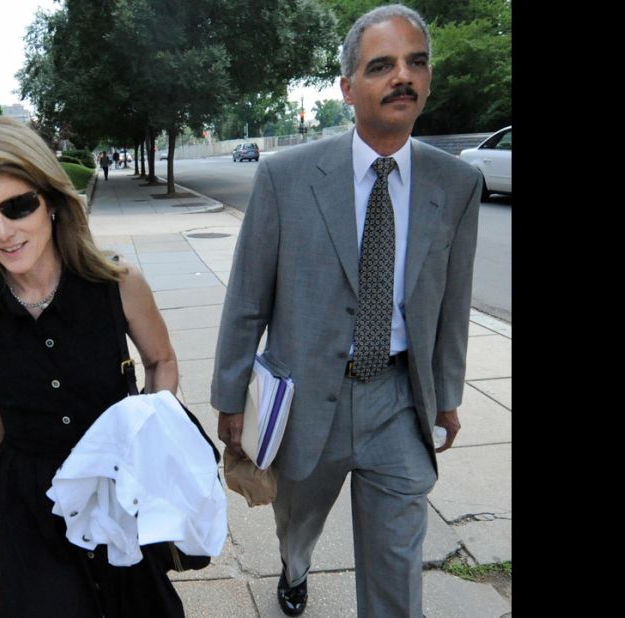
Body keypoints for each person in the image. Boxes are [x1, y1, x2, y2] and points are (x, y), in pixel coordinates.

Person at [210, 4, 481, 617]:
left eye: (416, 63)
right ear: (348, 87)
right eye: (382, 65)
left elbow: (453, 302)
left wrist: (446, 394)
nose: (402, 77)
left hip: (398, 399)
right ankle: (296, 566)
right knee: (297, 526)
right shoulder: (286, 178)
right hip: (306, 402)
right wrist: (229, 396)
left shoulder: (454, 184)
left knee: (396, 571)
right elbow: (248, 297)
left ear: (428, 80)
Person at [0, 116, 183, 617]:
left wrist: (150, 434)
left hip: (117, 486)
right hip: (27, 500)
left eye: (17, 206)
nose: (1, 232)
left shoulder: (118, 283)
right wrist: (19, 490)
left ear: (51, 201)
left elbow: (162, 361)